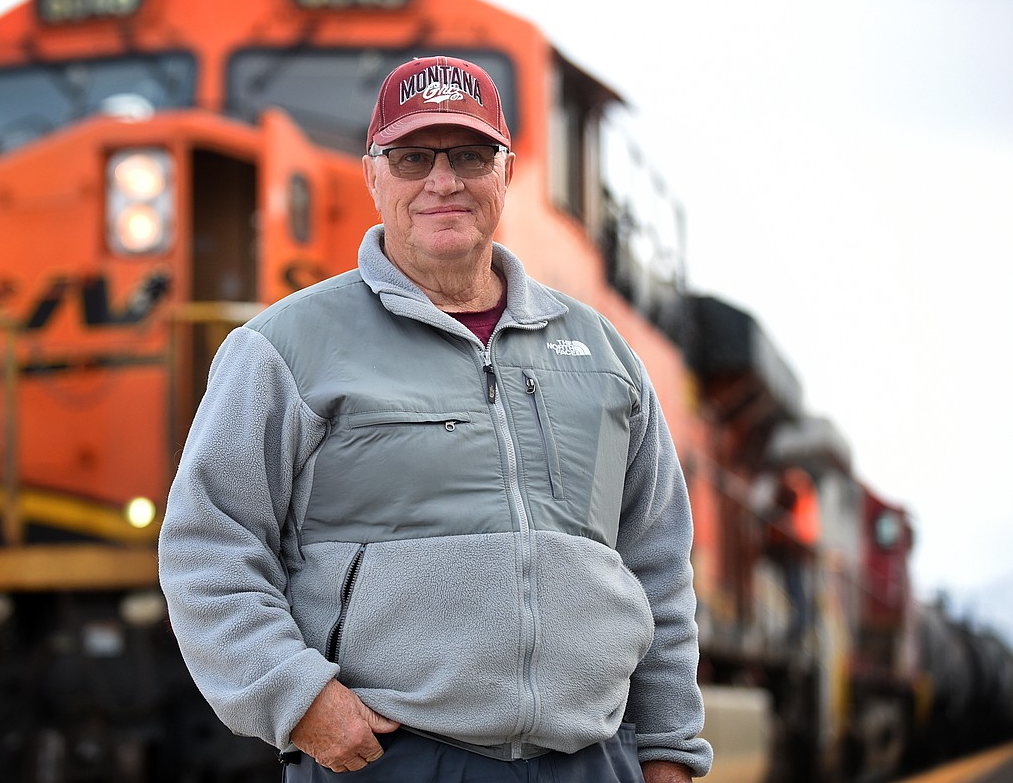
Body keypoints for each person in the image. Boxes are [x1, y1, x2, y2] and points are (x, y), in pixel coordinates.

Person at [159, 55, 713, 783]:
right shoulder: (280, 350)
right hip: (393, 762)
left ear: (506, 172)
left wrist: (669, 748)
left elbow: (658, 566)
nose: (443, 181)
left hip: (592, 762)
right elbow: (209, 547)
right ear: (374, 175)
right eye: (413, 156)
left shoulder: (605, 356)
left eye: (470, 155)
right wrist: (296, 699)